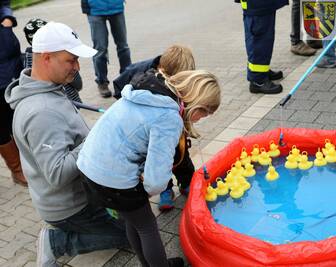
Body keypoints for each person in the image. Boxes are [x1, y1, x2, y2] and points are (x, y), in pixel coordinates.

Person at [5, 21, 131, 267]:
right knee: (132, 234)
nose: (76, 67)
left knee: (133, 219)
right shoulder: (40, 111)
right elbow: (58, 174)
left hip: (78, 194)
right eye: (70, 60)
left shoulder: (48, 88)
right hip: (70, 207)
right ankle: (57, 241)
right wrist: (97, 137)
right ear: (46, 58)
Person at [77, 69, 221, 267]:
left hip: (89, 166)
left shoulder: (148, 90)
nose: (200, 119)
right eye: (204, 113)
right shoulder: (168, 117)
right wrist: (149, 190)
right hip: (112, 176)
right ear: (197, 104)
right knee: (147, 226)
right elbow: (157, 180)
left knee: (133, 220)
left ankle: (149, 264)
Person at [113, 44, 196, 211]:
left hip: (171, 120)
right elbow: (118, 86)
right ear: (162, 69)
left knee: (181, 153)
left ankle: (187, 182)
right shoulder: (138, 72)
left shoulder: (179, 75)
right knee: (158, 160)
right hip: (149, 128)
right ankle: (165, 189)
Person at [23, 18, 83, 103]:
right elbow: (78, 84)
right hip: (72, 100)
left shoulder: (27, 59)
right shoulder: (43, 109)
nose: (77, 67)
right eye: (72, 60)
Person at [0, 0, 27, 186]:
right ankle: (17, 170)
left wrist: (7, 18)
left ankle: (27, 165)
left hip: (5, 44)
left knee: (16, 115)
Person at [81, 0, 131, 98]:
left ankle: (127, 78)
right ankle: (102, 82)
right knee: (100, 49)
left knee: (123, 46)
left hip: (116, 6)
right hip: (95, 9)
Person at [236, 0, 289, 94]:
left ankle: (262, 72)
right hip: (257, 4)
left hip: (262, 4)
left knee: (264, 40)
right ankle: (257, 80)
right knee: (259, 41)